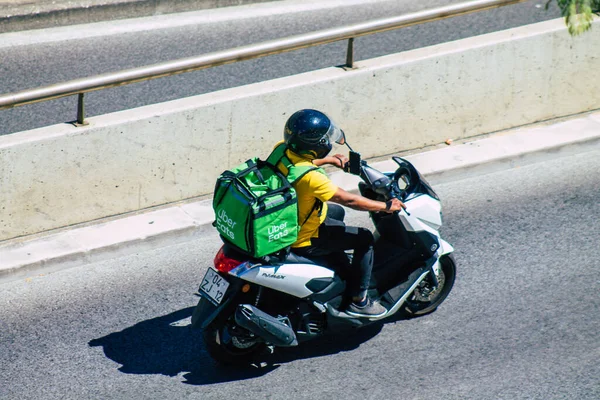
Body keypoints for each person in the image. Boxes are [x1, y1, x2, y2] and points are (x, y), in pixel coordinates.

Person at [275, 109, 405, 317]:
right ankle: (359, 300)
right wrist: (386, 207)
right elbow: (350, 200)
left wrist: (328, 161)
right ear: (316, 145)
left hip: (290, 216)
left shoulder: (281, 150)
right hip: (304, 239)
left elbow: (296, 165)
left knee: (334, 212)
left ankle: (335, 263)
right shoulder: (312, 179)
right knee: (363, 238)